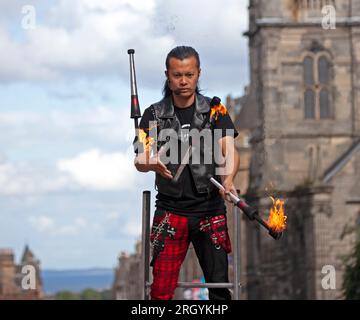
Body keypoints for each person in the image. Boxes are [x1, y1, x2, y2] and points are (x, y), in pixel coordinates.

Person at [134, 46, 240, 300]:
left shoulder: (216, 112)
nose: (183, 81)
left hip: (210, 210)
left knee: (219, 290)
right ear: (168, 75)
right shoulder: (153, 115)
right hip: (171, 211)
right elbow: (139, 157)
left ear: (198, 74)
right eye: (177, 75)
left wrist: (229, 179)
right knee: (160, 292)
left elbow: (230, 150)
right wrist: (151, 163)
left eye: (189, 75)